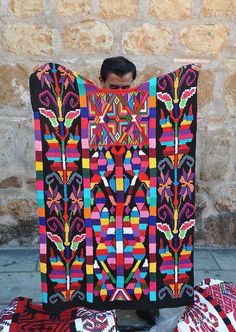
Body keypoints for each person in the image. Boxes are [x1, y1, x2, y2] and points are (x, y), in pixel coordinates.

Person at [98, 56, 202, 326]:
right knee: (101, 247)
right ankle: (98, 303)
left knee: (142, 248)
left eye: (126, 89)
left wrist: (188, 76)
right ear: (100, 83)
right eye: (114, 88)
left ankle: (144, 303)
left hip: (138, 191)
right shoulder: (90, 109)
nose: (121, 95)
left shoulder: (143, 108)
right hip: (100, 193)